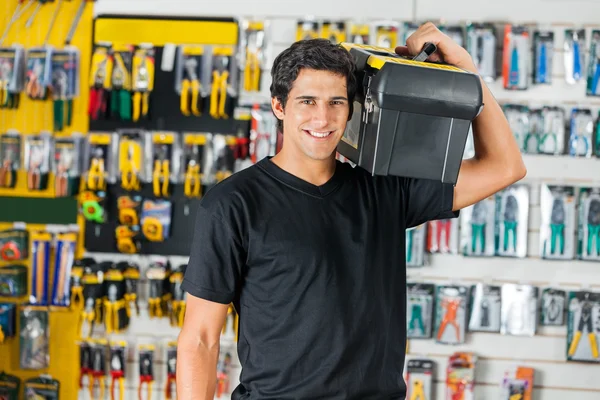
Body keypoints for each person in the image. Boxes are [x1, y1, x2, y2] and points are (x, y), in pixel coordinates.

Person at [176, 22, 526, 400]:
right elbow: (200, 340)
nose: (323, 119)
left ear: (353, 109)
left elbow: (504, 167)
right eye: (307, 101)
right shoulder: (233, 204)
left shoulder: (385, 189)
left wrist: (467, 70)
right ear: (279, 106)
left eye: (336, 102)